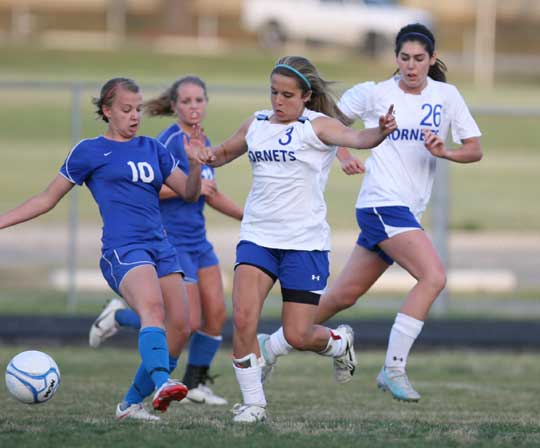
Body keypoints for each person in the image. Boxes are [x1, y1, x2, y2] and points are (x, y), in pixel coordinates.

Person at [258, 23, 483, 403]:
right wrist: (345, 155)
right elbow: (326, 127)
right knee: (433, 276)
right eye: (404, 58)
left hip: (404, 212)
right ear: (396, 58)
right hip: (381, 204)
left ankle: (272, 347)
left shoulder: (447, 96)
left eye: (419, 59)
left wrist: (445, 151)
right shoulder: (375, 93)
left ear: (431, 59)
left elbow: (474, 148)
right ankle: (393, 368)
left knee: (341, 296)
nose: (411, 66)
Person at [196, 55, 397, 423]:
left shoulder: (317, 126)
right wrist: (204, 156)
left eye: (287, 94)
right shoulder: (256, 123)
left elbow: (357, 137)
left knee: (298, 334)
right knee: (243, 320)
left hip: (304, 245)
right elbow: (222, 153)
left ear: (306, 95)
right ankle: (254, 403)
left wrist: (380, 132)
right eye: (274, 92)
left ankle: (339, 343)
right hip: (258, 237)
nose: (278, 101)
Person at [0, 77, 212, 421]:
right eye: (126, 110)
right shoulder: (89, 151)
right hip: (123, 249)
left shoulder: (152, 148)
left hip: (161, 245)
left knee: (182, 325)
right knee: (153, 310)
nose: (134, 117)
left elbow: (189, 193)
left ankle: (129, 405)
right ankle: (161, 382)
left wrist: (196, 164)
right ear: (107, 111)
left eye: (137, 110)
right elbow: (46, 198)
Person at [89, 76, 243, 405]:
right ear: (174, 106)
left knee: (215, 313)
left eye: (199, 100)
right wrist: (191, 186)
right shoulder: (169, 141)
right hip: (170, 240)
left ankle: (195, 383)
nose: (193, 107)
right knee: (182, 321)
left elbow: (209, 193)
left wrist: (250, 217)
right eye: (186, 101)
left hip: (198, 240)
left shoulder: (203, 140)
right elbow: (147, 189)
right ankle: (120, 319)